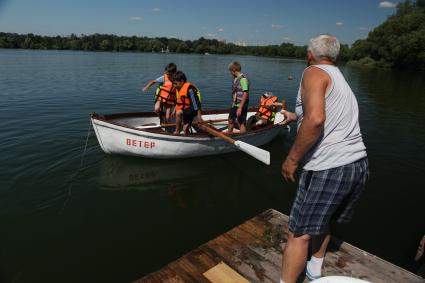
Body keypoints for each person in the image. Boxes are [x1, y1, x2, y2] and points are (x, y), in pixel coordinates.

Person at [279, 35, 368, 283]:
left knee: (298, 234)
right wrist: (294, 115)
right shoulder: (339, 77)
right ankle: (314, 269)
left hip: (328, 166)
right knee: (324, 219)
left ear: (309, 54)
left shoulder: (313, 72)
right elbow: (322, 114)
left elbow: (316, 120)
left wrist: (292, 159)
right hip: (357, 164)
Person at [172, 71, 203, 135]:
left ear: (182, 81)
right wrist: (174, 109)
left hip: (193, 109)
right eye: (173, 84)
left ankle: (177, 131)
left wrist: (199, 117)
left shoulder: (190, 89)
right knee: (185, 128)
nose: (174, 86)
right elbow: (179, 102)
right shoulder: (179, 88)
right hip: (186, 109)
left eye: (175, 83)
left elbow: (196, 104)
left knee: (178, 113)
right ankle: (186, 131)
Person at [228, 61, 249, 134]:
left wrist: (240, 107)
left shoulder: (243, 79)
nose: (230, 73)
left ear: (233, 70)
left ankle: (243, 138)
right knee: (230, 120)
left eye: (230, 71)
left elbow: (245, 93)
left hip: (241, 105)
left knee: (241, 122)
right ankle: (229, 135)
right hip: (234, 104)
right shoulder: (236, 78)